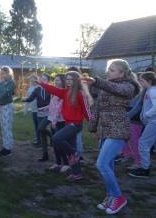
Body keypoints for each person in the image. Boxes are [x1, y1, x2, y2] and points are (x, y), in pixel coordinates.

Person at [85, 59, 140, 215]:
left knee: (101, 164)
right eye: (108, 69)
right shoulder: (106, 87)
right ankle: (110, 196)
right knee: (108, 165)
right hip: (105, 130)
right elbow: (97, 108)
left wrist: (96, 81)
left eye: (112, 70)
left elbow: (116, 88)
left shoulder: (128, 87)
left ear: (122, 73)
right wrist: (93, 127)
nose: (107, 72)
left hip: (118, 130)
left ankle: (118, 197)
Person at [36, 71, 90, 182]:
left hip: (75, 124)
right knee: (70, 148)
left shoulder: (80, 94)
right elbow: (53, 89)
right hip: (67, 123)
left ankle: (74, 153)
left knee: (56, 138)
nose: (68, 81)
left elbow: (86, 110)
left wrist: (93, 125)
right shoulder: (65, 92)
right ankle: (77, 173)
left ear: (76, 81)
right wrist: (41, 83)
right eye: (67, 79)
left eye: (71, 79)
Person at [128, 72, 156, 179]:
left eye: (142, 81)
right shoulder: (149, 90)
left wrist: (147, 115)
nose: (140, 82)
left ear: (149, 81)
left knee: (143, 143)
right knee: (145, 143)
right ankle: (145, 166)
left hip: (153, 121)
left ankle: (145, 169)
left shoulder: (153, 91)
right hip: (151, 121)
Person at [42, 74, 68, 169]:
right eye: (55, 80)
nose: (56, 82)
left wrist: (53, 121)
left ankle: (66, 163)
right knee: (55, 142)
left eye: (58, 80)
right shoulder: (54, 92)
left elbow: (59, 108)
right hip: (54, 120)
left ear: (63, 82)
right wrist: (43, 108)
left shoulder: (63, 93)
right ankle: (57, 162)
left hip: (60, 121)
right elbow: (52, 105)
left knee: (60, 143)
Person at [23, 73, 51, 149]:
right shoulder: (35, 89)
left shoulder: (48, 88)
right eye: (41, 78)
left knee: (41, 127)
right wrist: (25, 101)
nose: (42, 80)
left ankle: (51, 137)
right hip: (37, 111)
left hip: (47, 112)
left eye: (44, 79)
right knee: (39, 128)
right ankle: (41, 145)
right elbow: (30, 98)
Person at [0, 66, 16, 156]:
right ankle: (6, 146)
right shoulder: (2, 82)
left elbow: (4, 94)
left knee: (7, 127)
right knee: (3, 127)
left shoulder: (11, 83)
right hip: (1, 107)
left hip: (7, 107)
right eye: (1, 73)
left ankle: (8, 148)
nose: (1, 75)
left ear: (8, 73)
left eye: (3, 73)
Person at [25, 75, 39, 145]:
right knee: (36, 125)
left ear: (37, 80)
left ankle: (40, 139)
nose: (32, 82)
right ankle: (37, 138)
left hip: (39, 110)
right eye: (31, 80)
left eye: (34, 80)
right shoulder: (30, 88)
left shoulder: (39, 87)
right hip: (33, 110)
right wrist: (26, 110)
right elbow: (27, 99)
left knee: (40, 126)